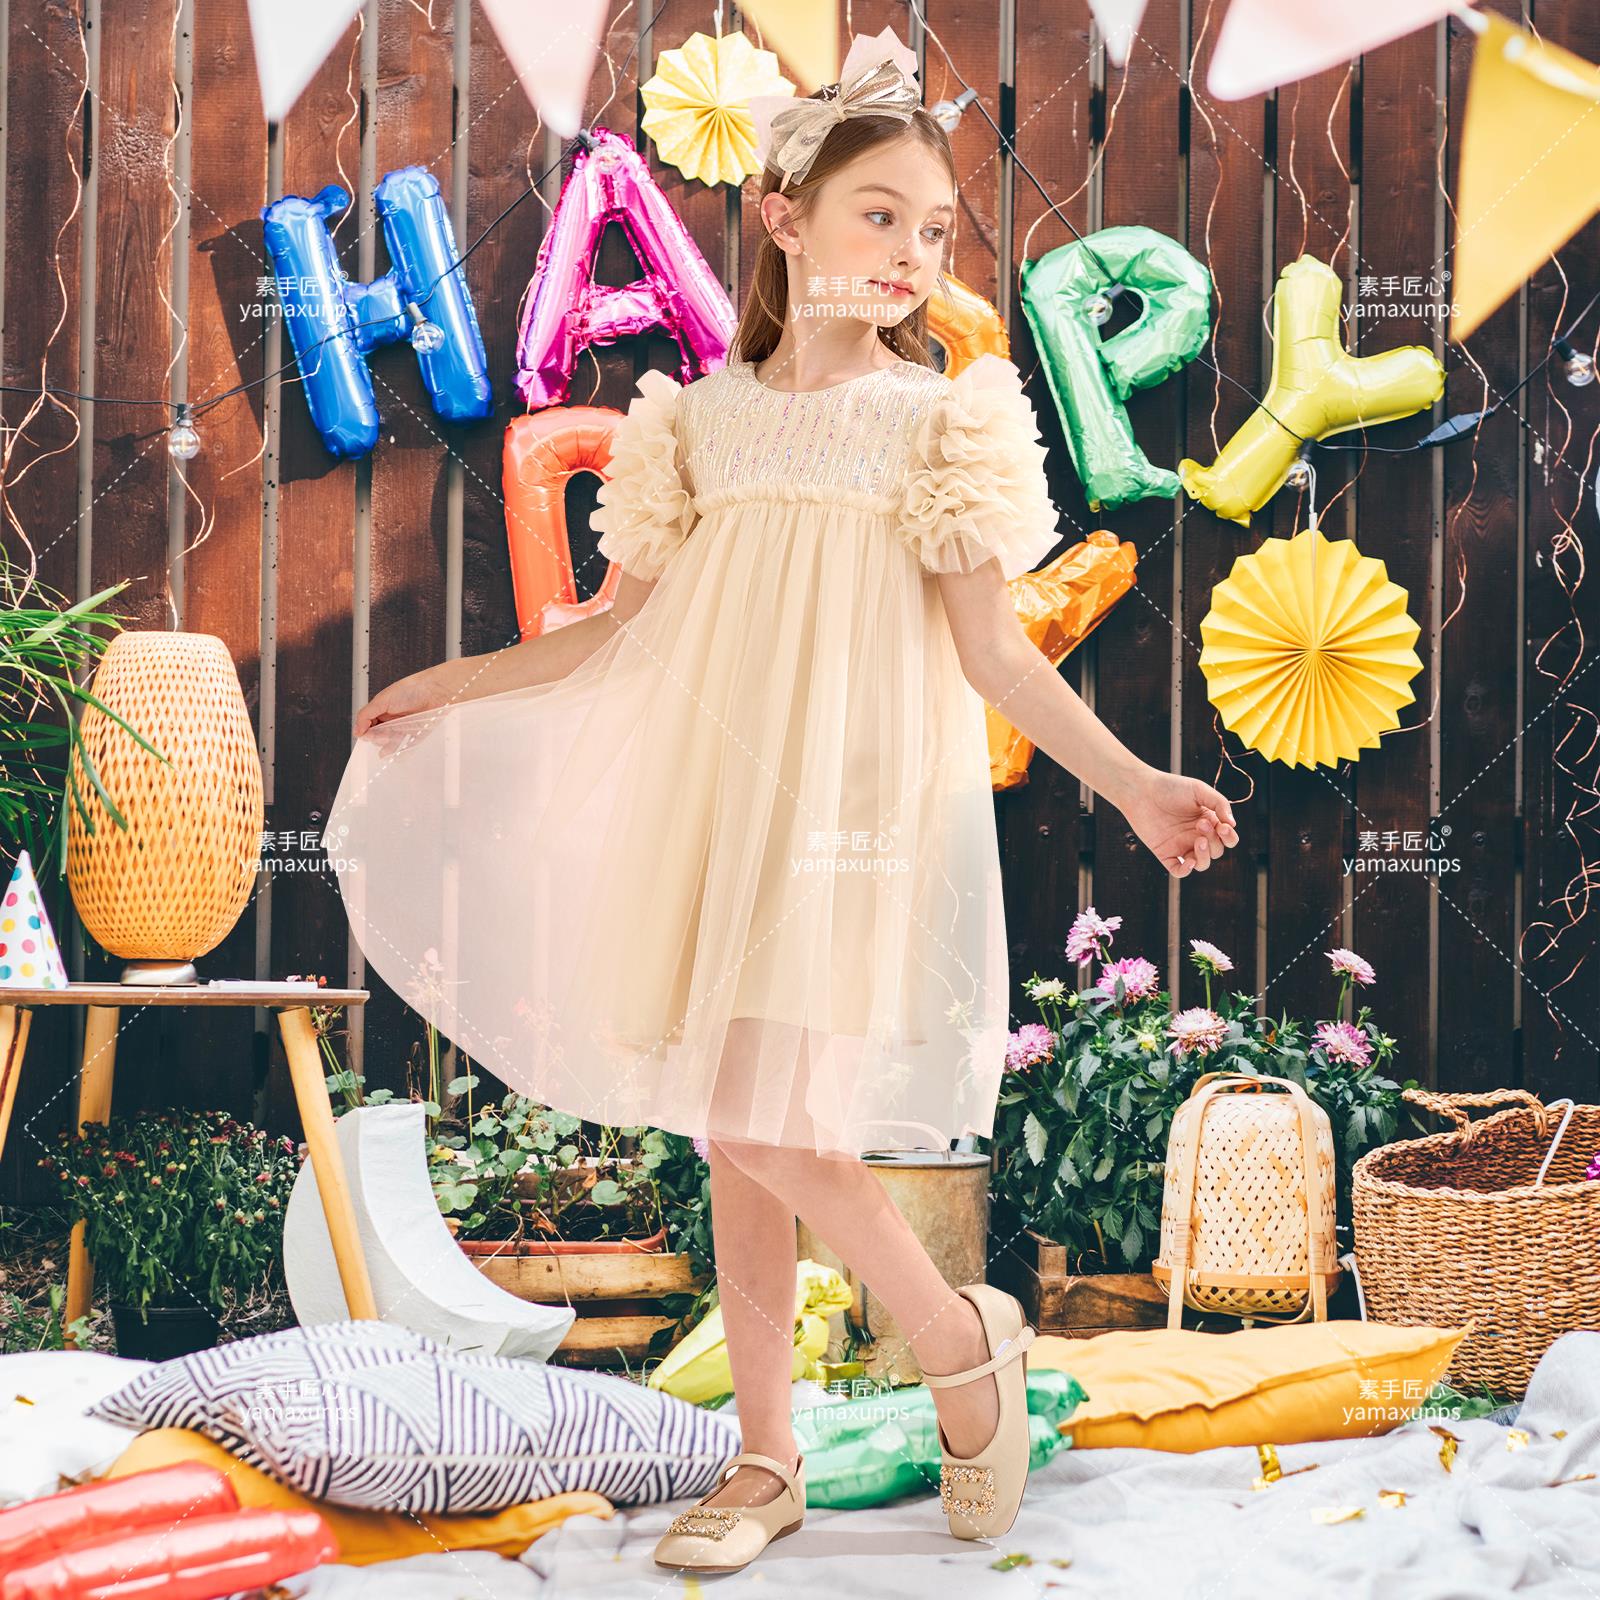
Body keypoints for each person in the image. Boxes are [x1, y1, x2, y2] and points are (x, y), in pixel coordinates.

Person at [322, 29, 1238, 1575]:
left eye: (933, 229)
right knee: (732, 1129)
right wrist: (451, 686)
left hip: (851, 813)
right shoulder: (698, 419)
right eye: (880, 214)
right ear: (784, 215)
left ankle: (957, 1345)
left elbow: (995, 654)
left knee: (766, 1119)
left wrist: (1138, 785)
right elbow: (608, 632)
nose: (911, 252)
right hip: (714, 801)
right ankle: (766, 1460)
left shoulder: (939, 418)